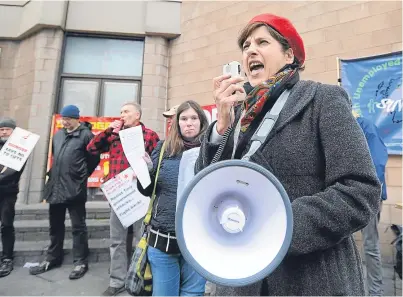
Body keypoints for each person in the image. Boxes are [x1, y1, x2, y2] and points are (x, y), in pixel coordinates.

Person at [195, 13, 381, 296]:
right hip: (243, 281)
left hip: (311, 279)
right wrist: (220, 128)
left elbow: (360, 191)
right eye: (245, 46)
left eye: (262, 42)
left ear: (289, 54)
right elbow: (205, 189)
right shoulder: (238, 113)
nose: (251, 50)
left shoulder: (322, 100)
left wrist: (278, 225)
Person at [86, 102, 159, 296]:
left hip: (140, 194)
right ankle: (117, 281)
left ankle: (139, 280)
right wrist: (109, 130)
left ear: (137, 115)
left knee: (139, 240)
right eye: (120, 112)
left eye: (126, 111)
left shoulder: (150, 135)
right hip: (119, 196)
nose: (122, 115)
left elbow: (158, 163)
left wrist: (148, 167)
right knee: (116, 241)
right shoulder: (114, 135)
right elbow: (92, 148)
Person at [138, 100, 208, 296]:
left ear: (202, 122)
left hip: (198, 239)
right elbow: (147, 191)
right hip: (163, 240)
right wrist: (145, 172)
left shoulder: (210, 151)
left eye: (194, 118)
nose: (189, 123)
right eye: (184, 119)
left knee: (193, 294)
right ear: (177, 123)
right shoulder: (163, 149)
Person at [29, 105, 100, 279]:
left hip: (74, 188)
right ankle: (53, 258)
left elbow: (93, 159)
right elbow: (55, 156)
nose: (65, 122)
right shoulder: (58, 135)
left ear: (77, 118)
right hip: (56, 188)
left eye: (68, 119)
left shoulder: (85, 135)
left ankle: (80, 261)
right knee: (55, 226)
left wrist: (80, 177)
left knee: (78, 227)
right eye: (63, 119)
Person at [355, 114, 388, 296]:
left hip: (369, 196)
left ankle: (376, 292)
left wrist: (370, 194)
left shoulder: (365, 126)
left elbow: (378, 162)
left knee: (370, 245)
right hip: (348, 194)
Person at [0, 117, 25, 278]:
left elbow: (14, 170)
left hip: (8, 192)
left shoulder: (19, 148)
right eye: (1, 130)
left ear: (13, 131)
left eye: (6, 129)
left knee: (6, 225)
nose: (3, 132)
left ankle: (7, 257)